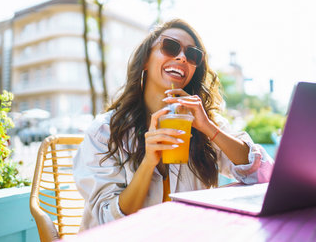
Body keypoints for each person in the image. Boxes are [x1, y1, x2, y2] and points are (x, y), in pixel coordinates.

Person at [73, 19, 274, 230]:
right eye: (170, 46)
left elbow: (263, 175)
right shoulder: (105, 131)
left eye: (192, 54)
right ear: (145, 61)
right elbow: (109, 220)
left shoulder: (202, 121)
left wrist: (209, 128)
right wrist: (148, 162)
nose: (181, 57)